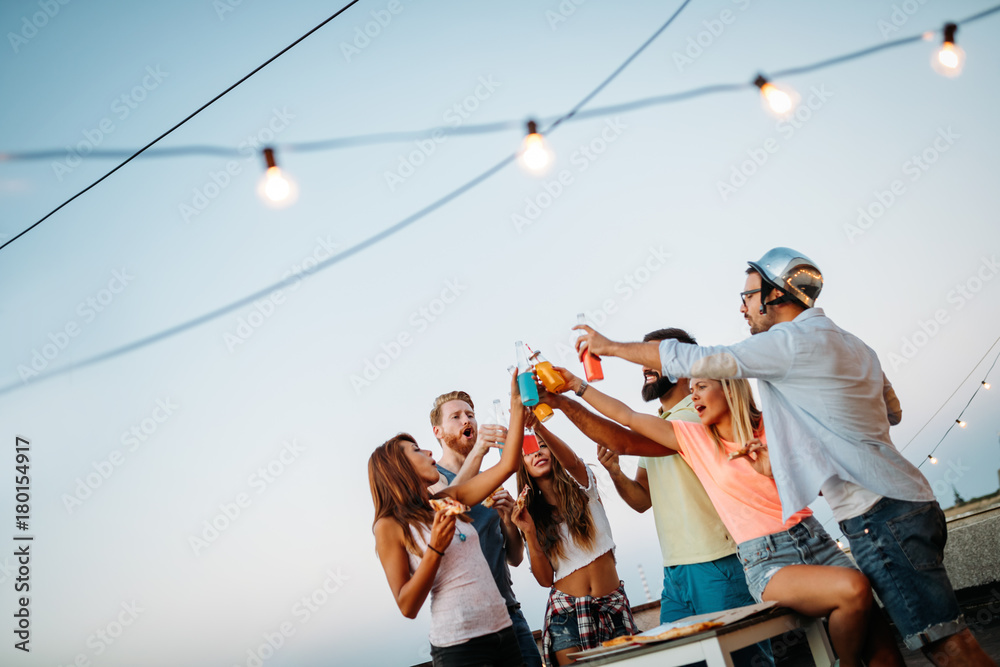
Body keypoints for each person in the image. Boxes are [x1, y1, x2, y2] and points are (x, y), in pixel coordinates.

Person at [573, 247, 994, 667]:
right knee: (895, 643)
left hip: (876, 514)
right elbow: (892, 413)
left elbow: (699, 358)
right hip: (911, 501)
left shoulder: (787, 343)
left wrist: (608, 346)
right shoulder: (853, 344)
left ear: (776, 294)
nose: (743, 307)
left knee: (947, 646)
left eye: (748, 296)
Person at [547, 365, 904, 667]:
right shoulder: (694, 437)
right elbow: (624, 422)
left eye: (702, 387)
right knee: (854, 590)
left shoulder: (770, 426)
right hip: (763, 556)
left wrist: (775, 468)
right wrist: (573, 390)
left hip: (812, 538)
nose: (695, 396)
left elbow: (824, 486)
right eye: (694, 389)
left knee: (883, 646)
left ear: (729, 387)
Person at [545, 327, 770, 667]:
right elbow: (640, 500)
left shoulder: (701, 415)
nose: (643, 366)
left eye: (648, 357)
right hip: (676, 571)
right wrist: (616, 474)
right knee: (685, 662)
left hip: (718, 562)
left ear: (680, 363)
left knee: (741, 660)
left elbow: (622, 433)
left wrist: (567, 397)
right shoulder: (659, 425)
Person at [370, 373, 527, 667]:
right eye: (416, 450)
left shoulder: (444, 502)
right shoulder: (388, 526)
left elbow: (508, 464)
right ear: (398, 468)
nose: (428, 451)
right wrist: (435, 549)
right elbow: (407, 605)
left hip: (505, 631)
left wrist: (517, 403)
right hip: (461, 647)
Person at [510, 415, 637, 666]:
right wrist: (529, 533)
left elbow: (573, 461)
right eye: (528, 451)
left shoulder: (584, 488)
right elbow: (546, 579)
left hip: (612, 607)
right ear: (522, 467)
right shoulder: (529, 515)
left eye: (542, 445)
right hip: (565, 615)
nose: (536, 452)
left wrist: (537, 426)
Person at [428, 390, 542, 667]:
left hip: (509, 611)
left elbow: (514, 558)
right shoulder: (433, 481)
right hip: (467, 624)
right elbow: (450, 505)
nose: (466, 420)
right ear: (438, 431)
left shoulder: (490, 480)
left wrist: (508, 518)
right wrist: (480, 450)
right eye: (456, 417)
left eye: (470, 415)